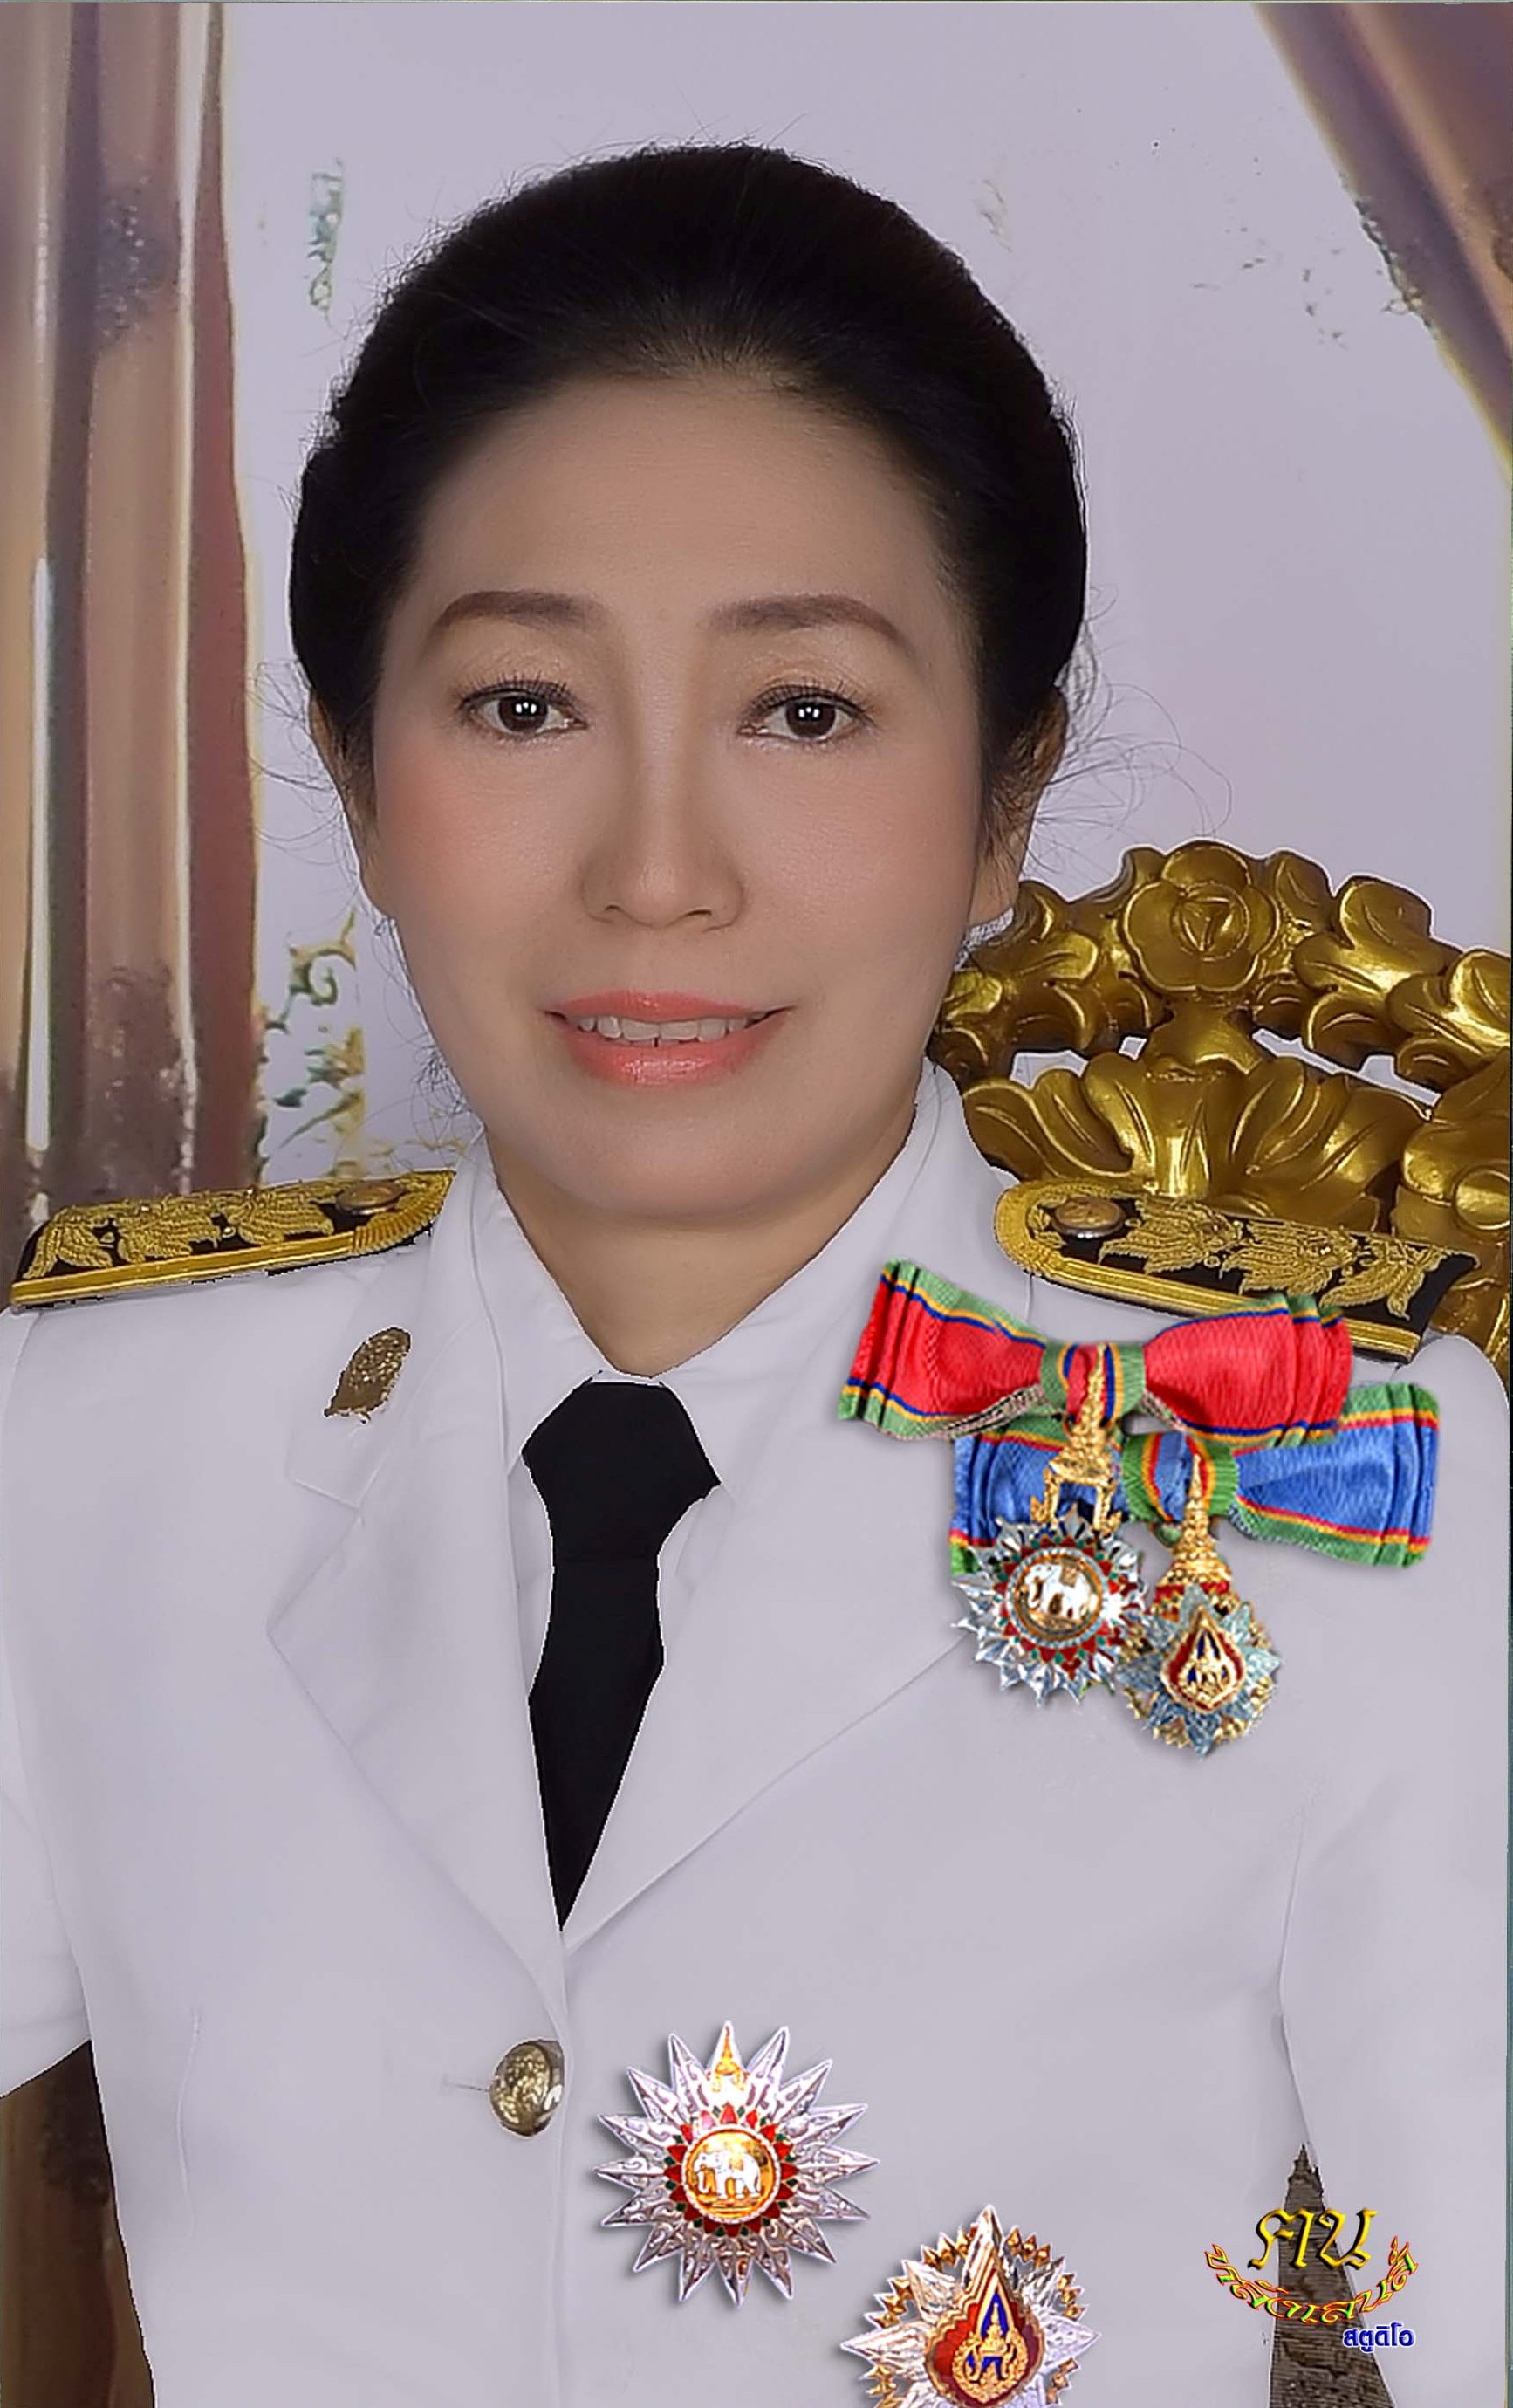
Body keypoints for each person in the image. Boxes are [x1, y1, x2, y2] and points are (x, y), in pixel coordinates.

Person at [0, 143, 1503, 2408]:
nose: (659, 875)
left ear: (1005, 800)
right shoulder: (109, 1432)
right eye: (524, 706)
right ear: (357, 772)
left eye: (804, 710)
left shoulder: (1345, 1466)